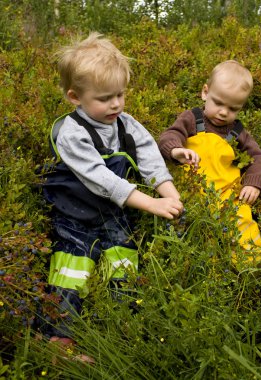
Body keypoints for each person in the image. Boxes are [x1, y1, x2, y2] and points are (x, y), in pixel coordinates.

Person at [40, 32, 183, 343]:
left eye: (120, 94)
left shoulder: (125, 123)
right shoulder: (71, 132)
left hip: (113, 212)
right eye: (104, 98)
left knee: (124, 260)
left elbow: (148, 154)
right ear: (75, 97)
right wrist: (152, 203)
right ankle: (59, 338)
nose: (115, 104)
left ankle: (120, 329)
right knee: (72, 267)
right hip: (74, 214)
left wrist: (169, 193)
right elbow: (100, 178)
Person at [158, 60, 261, 265]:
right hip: (192, 192)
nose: (223, 112)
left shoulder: (237, 132)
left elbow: (259, 158)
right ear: (205, 92)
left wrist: (253, 182)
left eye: (233, 108)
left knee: (243, 222)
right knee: (192, 231)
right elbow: (170, 135)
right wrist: (176, 150)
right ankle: (198, 266)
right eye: (218, 103)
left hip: (228, 196)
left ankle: (251, 266)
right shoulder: (192, 119)